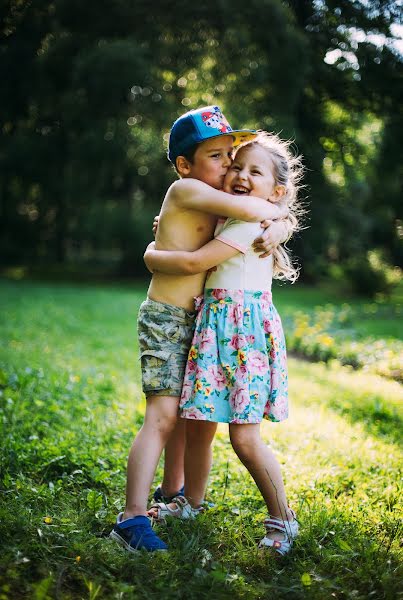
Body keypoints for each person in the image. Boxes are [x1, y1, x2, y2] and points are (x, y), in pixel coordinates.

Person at [109, 106, 291, 552]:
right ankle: (131, 519)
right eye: (220, 157)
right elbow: (241, 218)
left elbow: (254, 213)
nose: (230, 167)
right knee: (165, 417)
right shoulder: (189, 189)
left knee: (193, 420)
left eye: (233, 157)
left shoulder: (217, 206)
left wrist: (282, 221)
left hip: (204, 323)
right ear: (186, 165)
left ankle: (176, 496)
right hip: (171, 320)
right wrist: (152, 255)